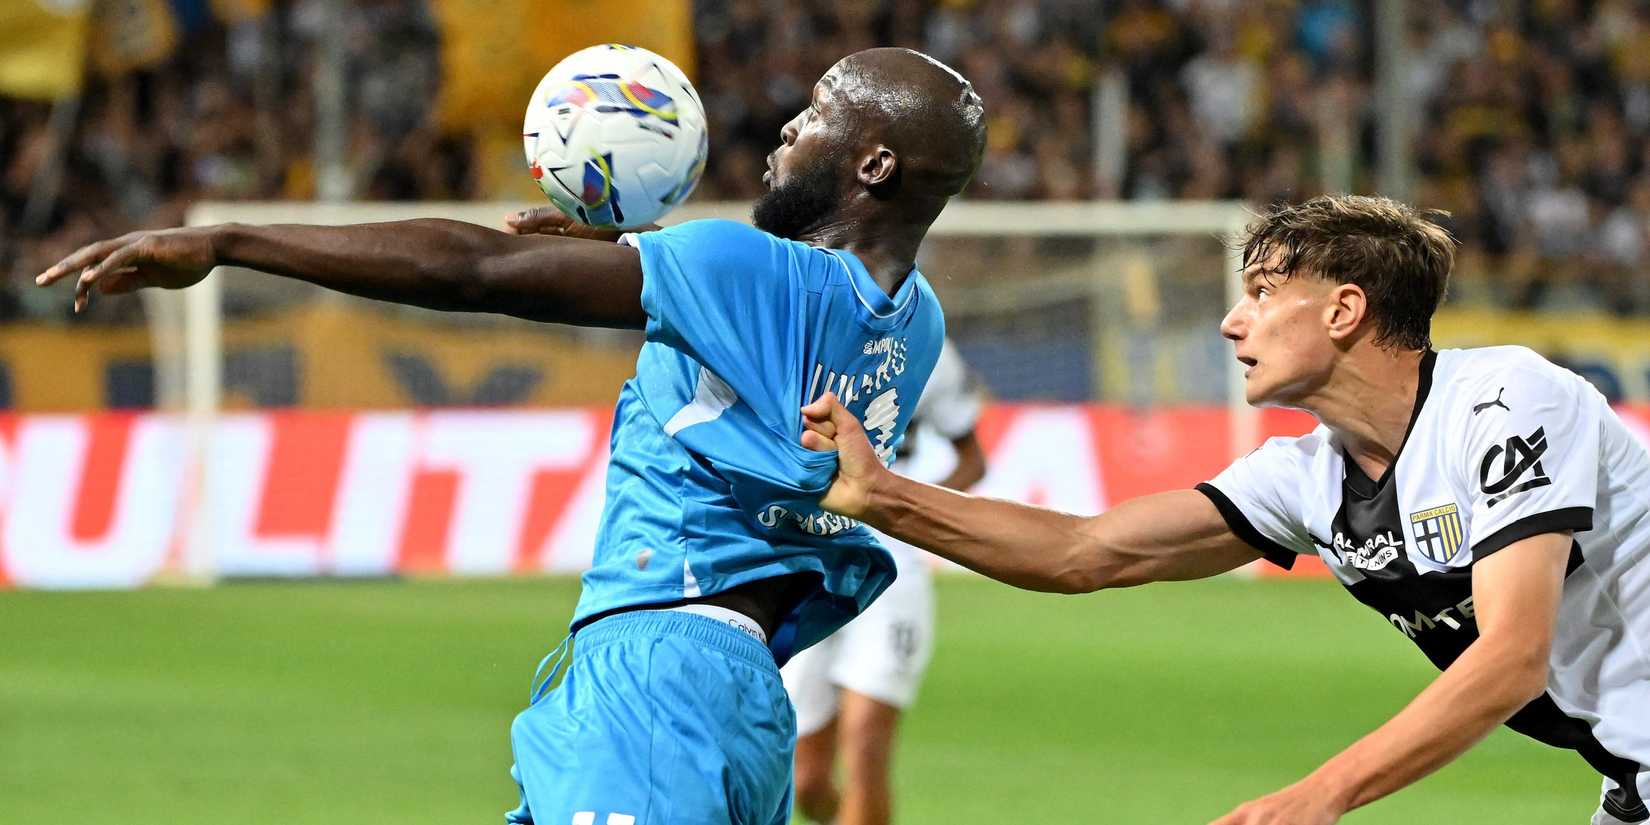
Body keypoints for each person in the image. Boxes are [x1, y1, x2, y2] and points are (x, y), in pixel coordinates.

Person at [36, 47, 986, 825]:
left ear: (875, 165)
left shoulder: (744, 268)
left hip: (659, 678)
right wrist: (633, 266)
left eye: (818, 111)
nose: (788, 124)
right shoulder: (915, 323)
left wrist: (233, 242)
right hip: (742, 701)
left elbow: (477, 269)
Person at [796, 194, 1650, 825]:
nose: (1231, 321)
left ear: (1345, 310)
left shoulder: (1508, 402)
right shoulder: (1305, 476)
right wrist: (882, 493)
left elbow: (1511, 656)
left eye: (1263, 293)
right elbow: (1083, 549)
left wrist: (1316, 797)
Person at [782, 338, 987, 825]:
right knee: (806, 778)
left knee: (866, 745)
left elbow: (973, 459)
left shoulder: (927, 342)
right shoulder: (799, 325)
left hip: (893, 567)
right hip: (810, 562)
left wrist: (910, 513)